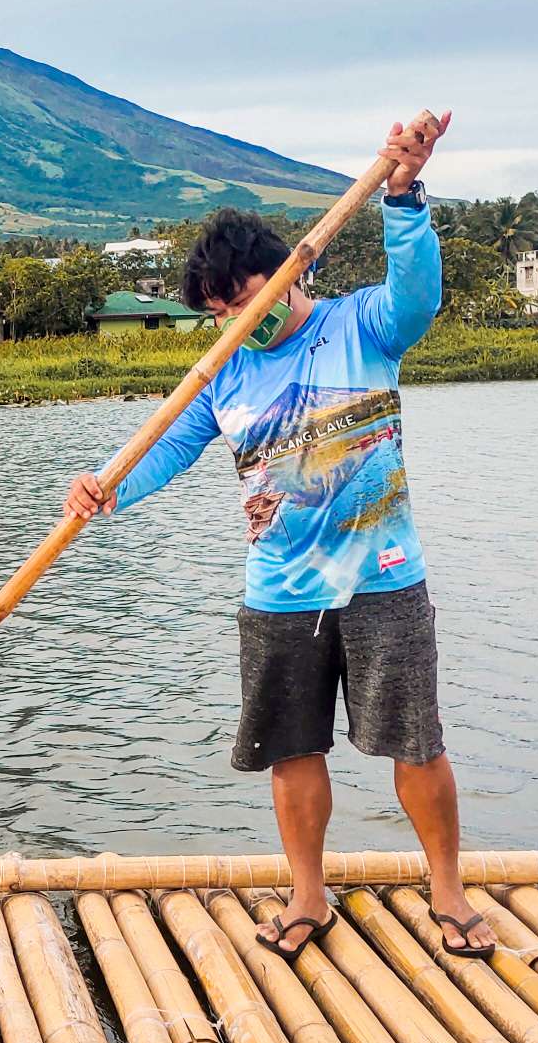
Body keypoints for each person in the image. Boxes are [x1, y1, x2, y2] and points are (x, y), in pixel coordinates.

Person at [66, 112, 495, 961]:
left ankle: (448, 890)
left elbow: (418, 293)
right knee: (291, 753)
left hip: (383, 579)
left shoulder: (364, 325)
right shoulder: (223, 367)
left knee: (417, 743)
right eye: (220, 311)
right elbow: (171, 446)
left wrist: (403, 193)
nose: (235, 319)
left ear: (282, 275)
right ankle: (309, 898)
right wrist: (106, 484)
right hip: (281, 591)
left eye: (241, 301)